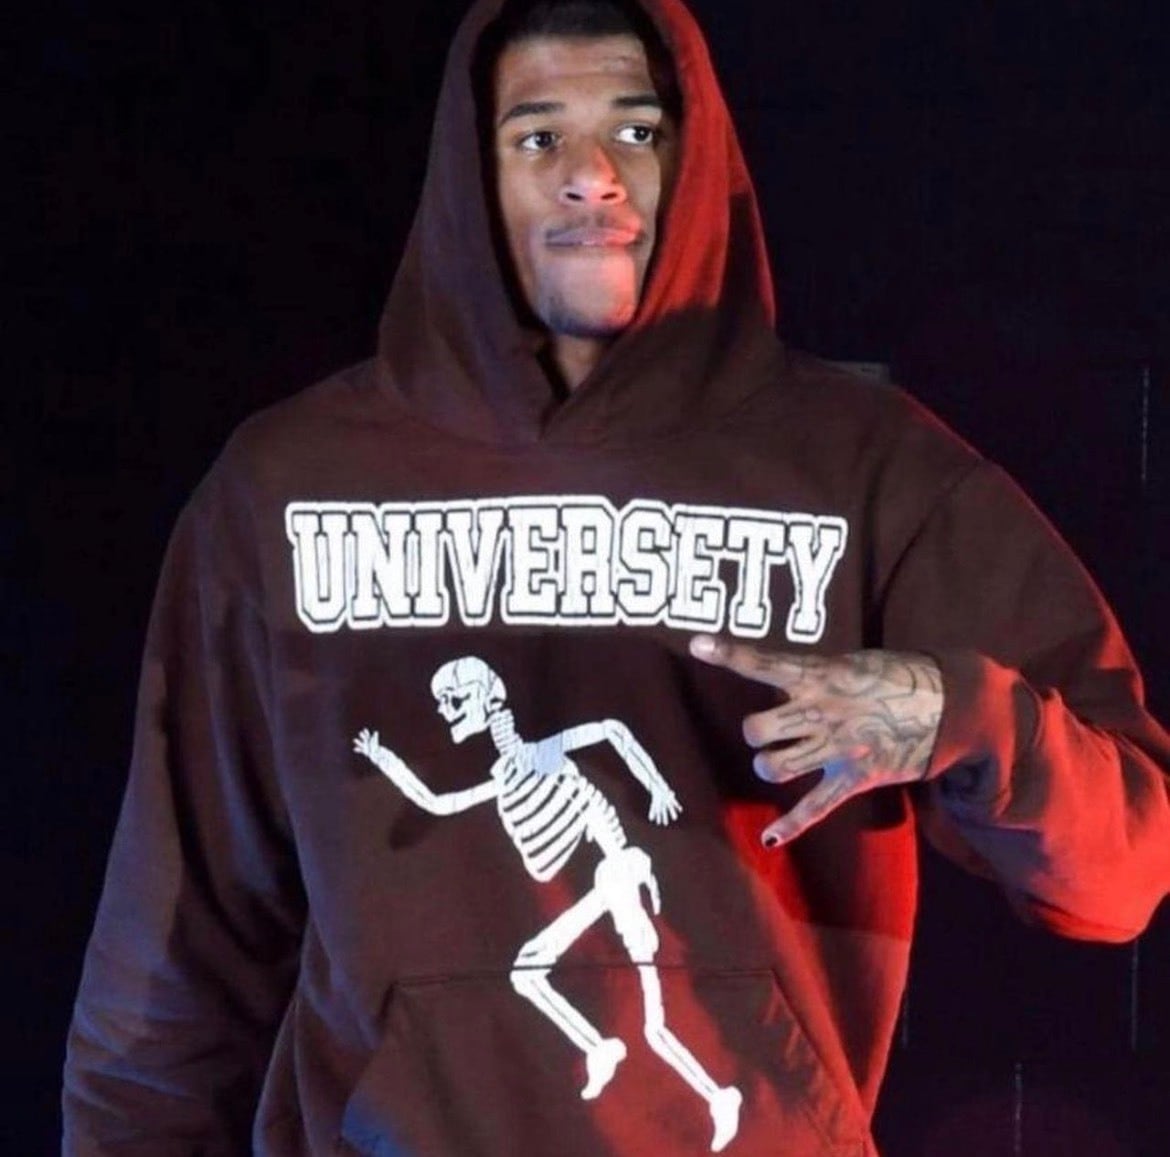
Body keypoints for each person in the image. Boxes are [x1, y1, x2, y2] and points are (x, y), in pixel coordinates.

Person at [63, 0, 1170, 1153]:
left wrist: (961, 713)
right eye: (539, 135)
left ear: (696, 162)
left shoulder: (869, 469)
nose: (592, 175)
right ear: (471, 174)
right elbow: (173, 955)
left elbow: (1127, 869)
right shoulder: (285, 489)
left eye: (636, 131)